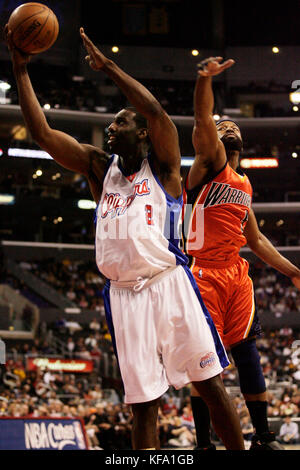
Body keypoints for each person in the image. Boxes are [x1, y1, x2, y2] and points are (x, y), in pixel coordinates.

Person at [5, 27, 244, 450]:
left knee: (209, 384)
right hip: (123, 296)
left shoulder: (166, 167)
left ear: (143, 134)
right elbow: (41, 133)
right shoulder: (100, 168)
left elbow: (156, 112)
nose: (110, 129)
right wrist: (21, 68)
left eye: (119, 123)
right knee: (143, 405)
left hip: (169, 284)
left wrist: (109, 67)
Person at [182, 56, 300, 451]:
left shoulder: (244, 185)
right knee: (204, 361)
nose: (227, 125)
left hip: (235, 272)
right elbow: (202, 118)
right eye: (221, 125)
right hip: (201, 272)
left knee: (248, 351)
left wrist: (292, 271)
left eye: (232, 126)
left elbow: (259, 240)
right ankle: (203, 442)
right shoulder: (208, 164)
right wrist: (203, 80)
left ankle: (263, 437)